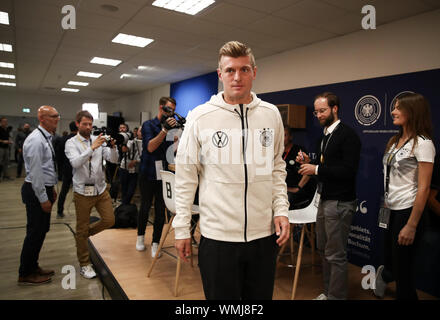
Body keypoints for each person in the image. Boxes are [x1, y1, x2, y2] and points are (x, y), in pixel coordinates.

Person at [173, 41, 290, 300]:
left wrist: (281, 209)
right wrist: (181, 228)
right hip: (218, 239)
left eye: (244, 69)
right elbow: (185, 176)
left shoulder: (271, 114)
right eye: (230, 70)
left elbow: (276, 167)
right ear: (220, 74)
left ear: (254, 72)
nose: (237, 77)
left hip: (263, 238)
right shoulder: (201, 117)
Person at [297, 92, 361, 300]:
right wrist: (309, 162)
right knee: (324, 252)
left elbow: (348, 171)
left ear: (335, 109)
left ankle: (336, 297)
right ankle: (328, 293)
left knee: (336, 255)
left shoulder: (348, 136)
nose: (318, 115)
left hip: (340, 202)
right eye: (316, 112)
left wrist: (316, 170)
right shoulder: (325, 135)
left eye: (322, 110)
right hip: (324, 200)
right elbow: (326, 166)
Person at [373, 92, 435, 300]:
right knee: (392, 260)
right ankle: (385, 275)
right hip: (389, 209)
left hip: (407, 211)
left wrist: (411, 224)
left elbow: (424, 188)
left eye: (398, 108)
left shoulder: (424, 143)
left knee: (404, 272)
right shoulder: (395, 140)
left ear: (412, 111)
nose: (393, 111)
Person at [65, 111, 117, 279]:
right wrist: (91, 148)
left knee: (110, 220)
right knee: (81, 226)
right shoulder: (71, 143)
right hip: (82, 192)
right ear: (77, 124)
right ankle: (84, 264)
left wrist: (113, 147)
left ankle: (84, 234)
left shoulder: (98, 140)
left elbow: (113, 160)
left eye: (90, 124)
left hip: (101, 189)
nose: (88, 127)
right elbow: (75, 163)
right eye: (85, 124)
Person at [18, 106, 60, 285]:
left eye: (58, 116)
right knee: (35, 233)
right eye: (53, 116)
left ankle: (33, 266)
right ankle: (26, 273)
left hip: (44, 189)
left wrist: (52, 189)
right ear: (42, 118)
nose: (57, 119)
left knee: (41, 231)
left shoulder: (46, 137)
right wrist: (43, 198)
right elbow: (35, 174)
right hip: (36, 192)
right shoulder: (36, 140)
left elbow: (47, 167)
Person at [136, 97, 177, 257]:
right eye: (168, 109)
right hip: (147, 173)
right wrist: (164, 131)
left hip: (163, 175)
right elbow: (151, 147)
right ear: (161, 108)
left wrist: (177, 139)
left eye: (173, 110)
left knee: (161, 211)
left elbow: (169, 150)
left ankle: (155, 243)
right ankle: (140, 238)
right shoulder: (148, 125)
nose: (171, 112)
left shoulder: (171, 127)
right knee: (145, 208)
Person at [283, 126, 315, 209]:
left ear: (290, 137)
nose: (281, 138)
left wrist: (298, 188)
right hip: (282, 189)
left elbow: (308, 172)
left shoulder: (299, 151)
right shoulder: (277, 151)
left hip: (297, 190)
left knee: (284, 200)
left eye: (285, 135)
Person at [55, 121, 78, 218]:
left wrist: (60, 170)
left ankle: (59, 211)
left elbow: (58, 156)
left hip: (66, 168)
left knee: (64, 190)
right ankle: (81, 211)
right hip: (77, 168)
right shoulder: (77, 140)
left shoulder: (63, 139)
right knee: (79, 191)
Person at [119, 127, 141, 205]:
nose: (141, 132)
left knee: (131, 190)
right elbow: (124, 150)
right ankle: (124, 208)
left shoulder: (146, 142)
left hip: (135, 169)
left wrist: (136, 161)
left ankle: (124, 205)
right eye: (140, 131)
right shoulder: (131, 141)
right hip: (124, 167)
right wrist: (124, 142)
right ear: (137, 132)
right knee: (124, 189)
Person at [0, 117, 13, 181]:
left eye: (6, 121)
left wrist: (9, 140)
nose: (6, 123)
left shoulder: (7, 130)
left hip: (6, 148)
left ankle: (6, 176)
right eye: (4, 121)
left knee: (6, 162)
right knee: (0, 162)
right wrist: (3, 141)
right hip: (1, 148)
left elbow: (8, 137)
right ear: (1, 122)